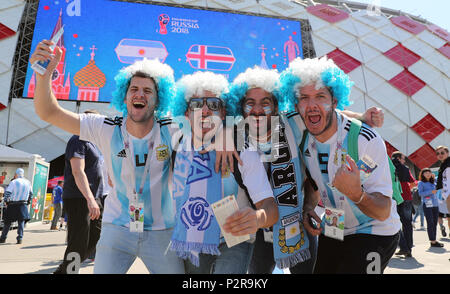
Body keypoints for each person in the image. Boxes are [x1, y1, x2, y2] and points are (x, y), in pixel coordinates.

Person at [279, 56, 401, 274]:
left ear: (335, 101)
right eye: (304, 98)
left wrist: (357, 195)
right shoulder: (301, 133)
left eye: (320, 96)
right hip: (335, 226)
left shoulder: (364, 139)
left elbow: (383, 211)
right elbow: (313, 182)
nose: (312, 105)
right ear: (296, 104)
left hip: (373, 230)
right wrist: (308, 206)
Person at [168, 71, 278, 274]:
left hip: (234, 239)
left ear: (224, 112)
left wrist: (258, 218)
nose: (204, 111)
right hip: (191, 238)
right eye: (196, 105)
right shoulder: (174, 145)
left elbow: (270, 208)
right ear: (185, 114)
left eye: (213, 105)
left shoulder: (241, 150)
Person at [52, 109, 105, 274]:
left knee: (95, 238)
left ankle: (64, 270)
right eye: (94, 121)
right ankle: (68, 272)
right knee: (78, 241)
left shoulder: (94, 142)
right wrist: (89, 199)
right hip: (79, 198)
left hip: (95, 197)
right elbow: (77, 171)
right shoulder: (78, 139)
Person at [391, 151, 416, 257]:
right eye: (403, 158)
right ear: (398, 158)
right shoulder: (405, 169)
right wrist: (405, 189)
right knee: (407, 224)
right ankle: (408, 248)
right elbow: (414, 182)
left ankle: (404, 247)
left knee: (394, 222)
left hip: (394, 198)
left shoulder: (388, 167)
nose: (404, 161)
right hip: (406, 198)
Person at [0, 168, 32, 244]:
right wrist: (27, 202)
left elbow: (8, 193)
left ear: (16, 174)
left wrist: (5, 201)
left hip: (13, 204)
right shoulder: (28, 182)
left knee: (7, 222)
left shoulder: (14, 182)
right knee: (21, 222)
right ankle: (20, 238)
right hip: (23, 204)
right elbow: (31, 194)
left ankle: (3, 238)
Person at [418, 168, 444, 248]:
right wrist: (430, 192)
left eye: (429, 172)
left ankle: (434, 240)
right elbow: (420, 193)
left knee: (435, 223)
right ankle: (432, 240)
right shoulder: (421, 183)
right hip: (427, 204)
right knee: (430, 223)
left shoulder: (434, 181)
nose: (428, 174)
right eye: (426, 173)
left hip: (435, 205)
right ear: (422, 174)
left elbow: (441, 181)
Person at [436, 146, 450, 237]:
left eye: (442, 153)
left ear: (447, 153)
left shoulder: (448, 163)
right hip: (443, 192)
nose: (440, 155)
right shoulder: (444, 164)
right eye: (438, 153)